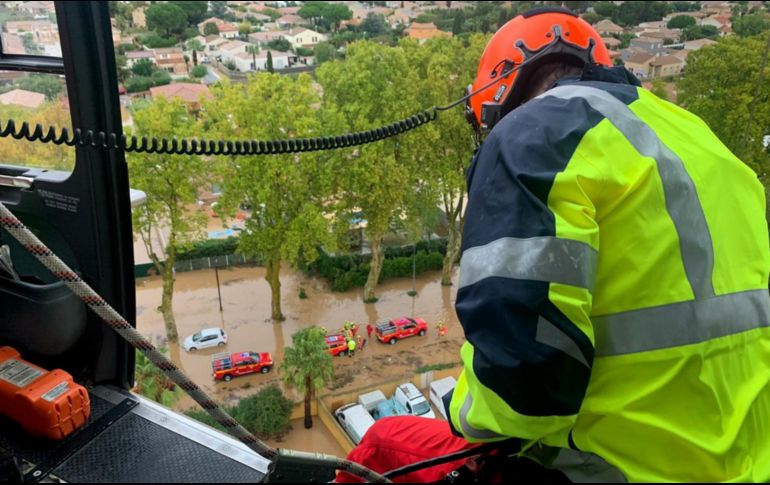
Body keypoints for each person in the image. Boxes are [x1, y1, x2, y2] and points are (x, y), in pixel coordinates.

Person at [337, 7, 770, 483]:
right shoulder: (702, 138)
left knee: (384, 443)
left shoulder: (532, 136)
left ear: (497, 96)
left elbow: (522, 388)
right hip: (746, 465)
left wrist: (462, 410)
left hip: (612, 467)